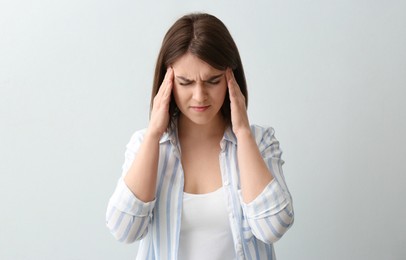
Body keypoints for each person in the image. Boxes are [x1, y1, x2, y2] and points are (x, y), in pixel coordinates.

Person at [106, 13, 294, 260]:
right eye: (185, 83)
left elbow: (273, 227)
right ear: (168, 83)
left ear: (231, 79)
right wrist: (154, 134)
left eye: (212, 81)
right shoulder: (146, 145)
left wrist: (243, 133)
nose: (199, 96)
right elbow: (124, 230)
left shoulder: (259, 142)